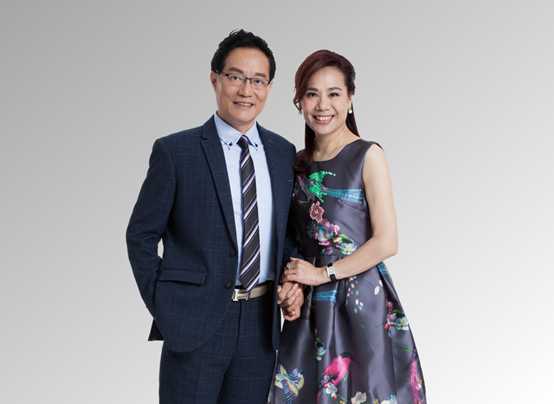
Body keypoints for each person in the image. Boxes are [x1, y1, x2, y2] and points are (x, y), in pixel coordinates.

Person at [126, 29, 303, 404]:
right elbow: (140, 235)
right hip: (193, 323)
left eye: (258, 80)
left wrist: (293, 280)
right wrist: (166, 305)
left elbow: (285, 234)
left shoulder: (283, 153)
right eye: (235, 76)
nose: (246, 90)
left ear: (269, 87)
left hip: (260, 326)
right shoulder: (176, 151)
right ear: (214, 79)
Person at [269, 50, 426, 404]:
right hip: (309, 308)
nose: (322, 105)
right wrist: (292, 283)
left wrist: (322, 275)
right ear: (299, 102)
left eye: (334, 93)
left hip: (360, 300)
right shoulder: (296, 164)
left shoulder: (368, 155)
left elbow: (387, 241)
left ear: (351, 99)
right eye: (312, 94)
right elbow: (289, 239)